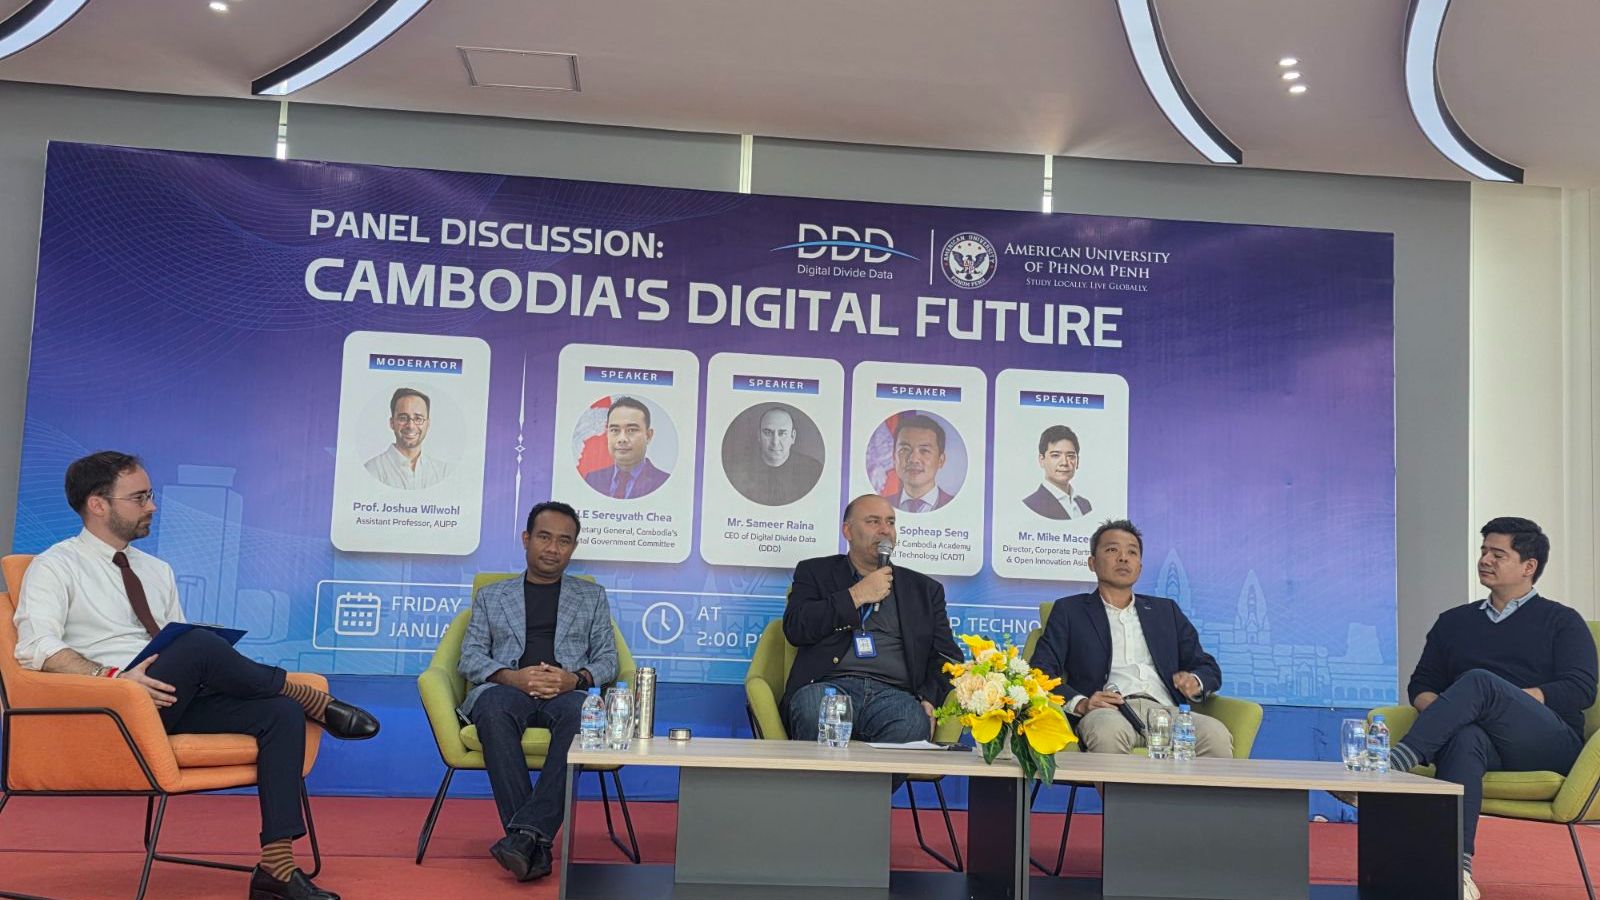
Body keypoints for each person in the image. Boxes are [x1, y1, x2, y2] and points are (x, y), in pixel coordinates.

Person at [12, 452, 378, 900]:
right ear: (98, 504)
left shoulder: (156, 570)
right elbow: (37, 647)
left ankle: (276, 868)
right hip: (112, 710)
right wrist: (113, 677)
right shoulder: (55, 566)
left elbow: (180, 650)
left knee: (279, 712)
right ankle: (313, 700)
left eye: (150, 495)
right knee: (200, 644)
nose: (152, 506)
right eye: (139, 498)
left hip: (171, 700)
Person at [1381, 518, 1595, 900]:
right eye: (1483, 551)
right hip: (1482, 742)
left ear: (1528, 566)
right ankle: (1456, 872)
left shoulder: (1562, 621)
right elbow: (1421, 686)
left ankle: (1393, 765)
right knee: (1466, 736)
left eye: (1498, 554)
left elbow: (1580, 689)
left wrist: (1506, 700)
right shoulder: (1453, 622)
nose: (1484, 560)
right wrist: (1451, 709)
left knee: (1481, 683)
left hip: (1547, 742)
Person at [457, 501, 619, 883]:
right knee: (493, 708)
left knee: (582, 715)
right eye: (544, 537)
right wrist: (513, 678)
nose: (553, 548)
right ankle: (534, 841)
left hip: (565, 693)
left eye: (564, 541)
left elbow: (608, 659)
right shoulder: (492, 596)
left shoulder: (591, 596)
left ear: (573, 547)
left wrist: (574, 679)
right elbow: (470, 656)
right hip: (507, 690)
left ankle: (523, 839)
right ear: (526, 539)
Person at [1031, 519, 1232, 758]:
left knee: (1215, 734)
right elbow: (1040, 671)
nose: (1123, 558)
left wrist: (1195, 681)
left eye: (1132, 552)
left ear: (1140, 567)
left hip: (1167, 712)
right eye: (1112, 550)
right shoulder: (1070, 611)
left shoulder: (1166, 611)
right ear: (1092, 563)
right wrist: (1082, 704)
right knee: (1107, 732)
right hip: (1109, 712)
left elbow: (1207, 666)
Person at [781, 494, 962, 756]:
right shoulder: (815, 572)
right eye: (873, 521)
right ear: (848, 531)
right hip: (830, 687)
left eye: (890, 522)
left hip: (893, 694)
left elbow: (948, 657)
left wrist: (930, 697)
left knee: (913, 724)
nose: (885, 530)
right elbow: (796, 628)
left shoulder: (924, 590)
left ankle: (870, 786)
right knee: (812, 708)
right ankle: (825, 784)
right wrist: (856, 595)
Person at [725, 405, 823, 506]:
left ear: (792, 437)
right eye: (768, 433)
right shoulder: (737, 469)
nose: (775, 442)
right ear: (759, 435)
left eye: (782, 433)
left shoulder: (813, 470)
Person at [582, 396, 670, 500]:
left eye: (631, 430)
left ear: (648, 435)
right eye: (615, 430)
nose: (622, 439)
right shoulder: (592, 479)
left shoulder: (664, 482)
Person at [364, 387, 451, 490]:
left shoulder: (443, 472)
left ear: (428, 424)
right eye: (403, 418)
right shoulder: (372, 470)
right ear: (392, 423)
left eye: (418, 418)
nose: (410, 426)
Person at [886, 414, 953, 513]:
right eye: (905, 449)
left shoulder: (959, 506)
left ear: (940, 460)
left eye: (924, 450)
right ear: (894, 457)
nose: (913, 459)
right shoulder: (880, 505)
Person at [1023, 425, 1092, 520]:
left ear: (1077, 461)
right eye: (1055, 455)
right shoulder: (1031, 505)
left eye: (1070, 456)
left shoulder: (1085, 505)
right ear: (1042, 460)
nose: (1064, 462)